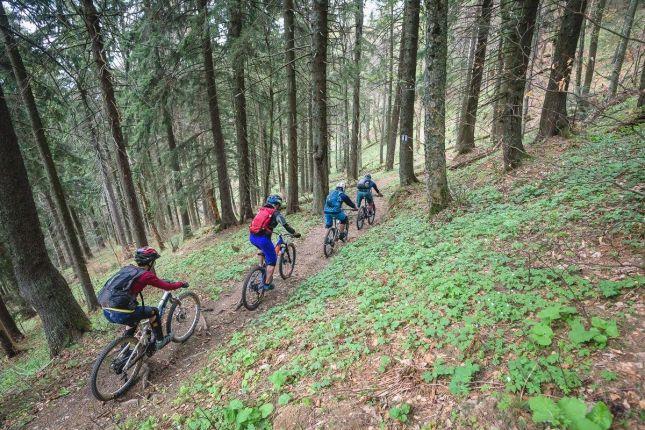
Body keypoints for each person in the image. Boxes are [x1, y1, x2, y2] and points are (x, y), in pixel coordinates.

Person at [98, 247, 188, 351]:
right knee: (154, 311)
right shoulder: (146, 275)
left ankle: (124, 350)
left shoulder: (128, 269)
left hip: (107, 310)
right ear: (150, 262)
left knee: (131, 321)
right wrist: (181, 283)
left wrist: (160, 280)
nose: (154, 264)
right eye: (153, 262)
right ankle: (160, 340)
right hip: (121, 313)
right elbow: (167, 287)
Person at [249, 194, 301, 291]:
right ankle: (267, 284)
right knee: (272, 261)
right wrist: (294, 233)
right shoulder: (276, 213)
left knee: (263, 248)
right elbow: (285, 225)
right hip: (263, 239)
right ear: (277, 204)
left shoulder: (261, 210)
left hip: (252, 237)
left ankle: (260, 267)